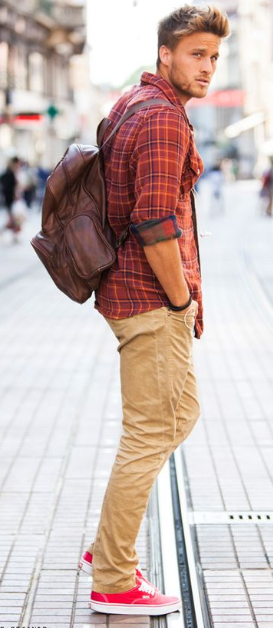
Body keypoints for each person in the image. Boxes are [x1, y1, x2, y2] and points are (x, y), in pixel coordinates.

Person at [79, 4, 230, 616]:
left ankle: (109, 540)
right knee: (149, 434)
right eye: (197, 54)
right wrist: (180, 297)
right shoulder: (164, 119)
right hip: (149, 299)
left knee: (178, 414)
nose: (208, 67)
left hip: (129, 295)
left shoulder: (132, 103)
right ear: (166, 53)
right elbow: (153, 221)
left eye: (215, 57)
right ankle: (114, 576)